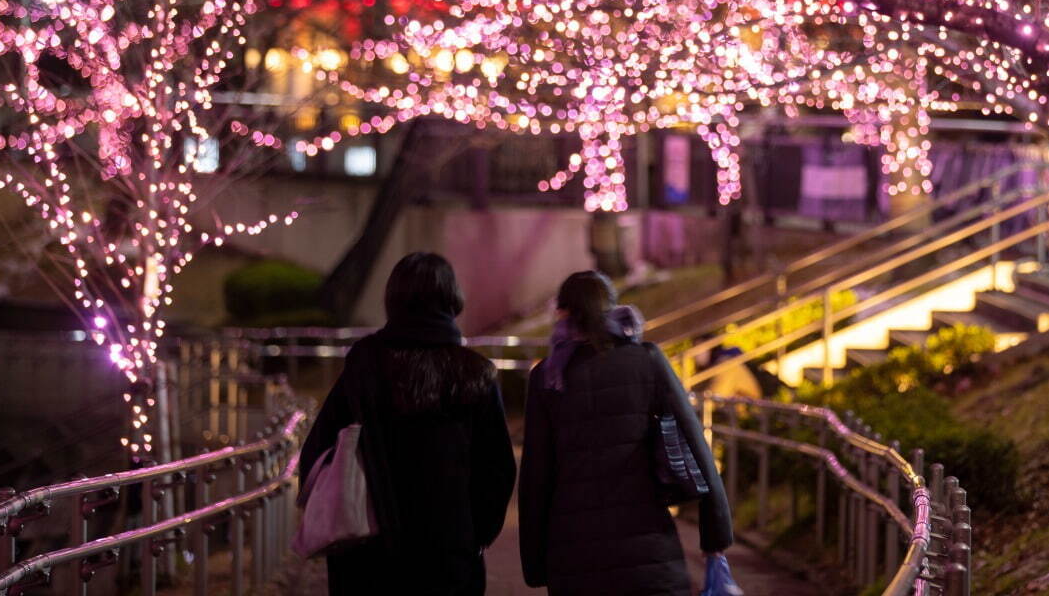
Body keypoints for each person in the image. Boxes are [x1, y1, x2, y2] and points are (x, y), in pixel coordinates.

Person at [299, 252, 516, 596]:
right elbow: (497, 469)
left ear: (393, 297)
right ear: (452, 297)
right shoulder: (476, 373)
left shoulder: (365, 363)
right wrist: (474, 535)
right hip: (448, 554)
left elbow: (318, 451)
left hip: (367, 552)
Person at [519, 270, 733, 595]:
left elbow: (536, 477)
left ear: (564, 313)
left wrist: (535, 563)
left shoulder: (547, 378)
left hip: (575, 556)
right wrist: (715, 535)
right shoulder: (646, 360)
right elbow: (694, 441)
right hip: (649, 551)